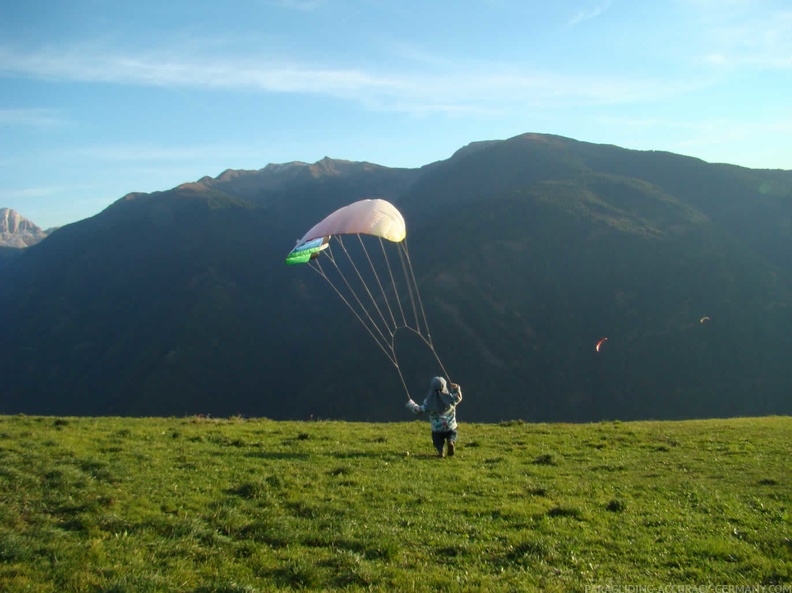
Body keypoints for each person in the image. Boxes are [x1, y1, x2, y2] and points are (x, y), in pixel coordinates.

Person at [406, 376, 463, 458]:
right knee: (452, 435)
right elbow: (458, 397)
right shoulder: (451, 399)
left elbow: (418, 410)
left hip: (437, 429)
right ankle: (450, 442)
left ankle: (441, 452)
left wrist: (411, 404)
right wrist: (456, 388)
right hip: (450, 427)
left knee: (438, 441)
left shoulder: (428, 404)